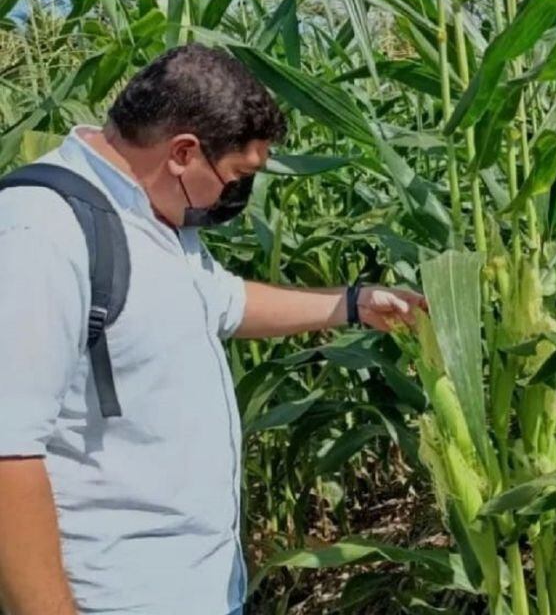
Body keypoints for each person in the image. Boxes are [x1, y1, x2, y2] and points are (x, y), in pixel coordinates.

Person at [0, 43, 425, 615]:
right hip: (118, 599)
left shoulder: (156, 217)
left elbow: (223, 302)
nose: (236, 197)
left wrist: (353, 304)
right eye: (237, 176)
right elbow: (8, 453)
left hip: (203, 587)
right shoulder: (42, 232)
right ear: (183, 152)